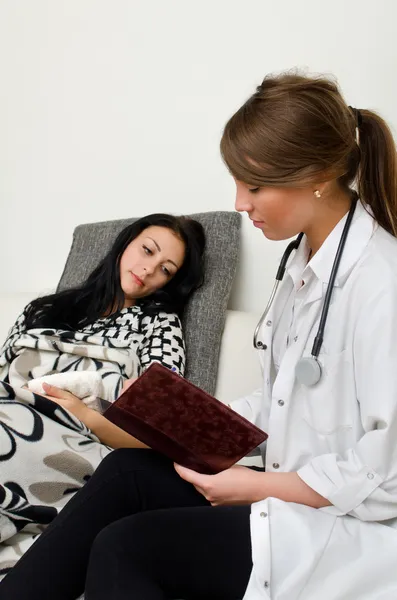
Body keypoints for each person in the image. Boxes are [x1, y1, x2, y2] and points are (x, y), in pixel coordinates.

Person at [1, 71, 397, 600]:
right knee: (127, 472)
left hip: (345, 531)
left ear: (319, 174)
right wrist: (190, 424)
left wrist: (255, 485)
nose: (238, 202)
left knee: (126, 546)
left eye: (253, 185)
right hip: (285, 495)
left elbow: (386, 475)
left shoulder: (381, 285)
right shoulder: (302, 266)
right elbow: (283, 401)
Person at [0, 212, 205, 578]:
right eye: (147, 250)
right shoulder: (42, 309)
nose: (149, 269)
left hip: (77, 447)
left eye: (166, 269)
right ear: (125, 242)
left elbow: (161, 432)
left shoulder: (158, 326)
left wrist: (85, 413)